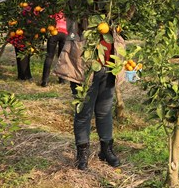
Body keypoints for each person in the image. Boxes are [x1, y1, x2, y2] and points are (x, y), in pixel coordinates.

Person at [54, 19, 127, 170]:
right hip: (83, 68)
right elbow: (73, 10)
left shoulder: (112, 5)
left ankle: (106, 150)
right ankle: (82, 153)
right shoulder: (81, 8)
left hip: (110, 65)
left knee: (104, 112)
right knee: (83, 112)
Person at [39, 10, 68, 87]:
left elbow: (47, 18)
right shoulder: (68, 9)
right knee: (62, 57)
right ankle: (62, 79)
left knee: (49, 56)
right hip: (65, 33)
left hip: (54, 32)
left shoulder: (53, 7)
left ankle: (44, 80)